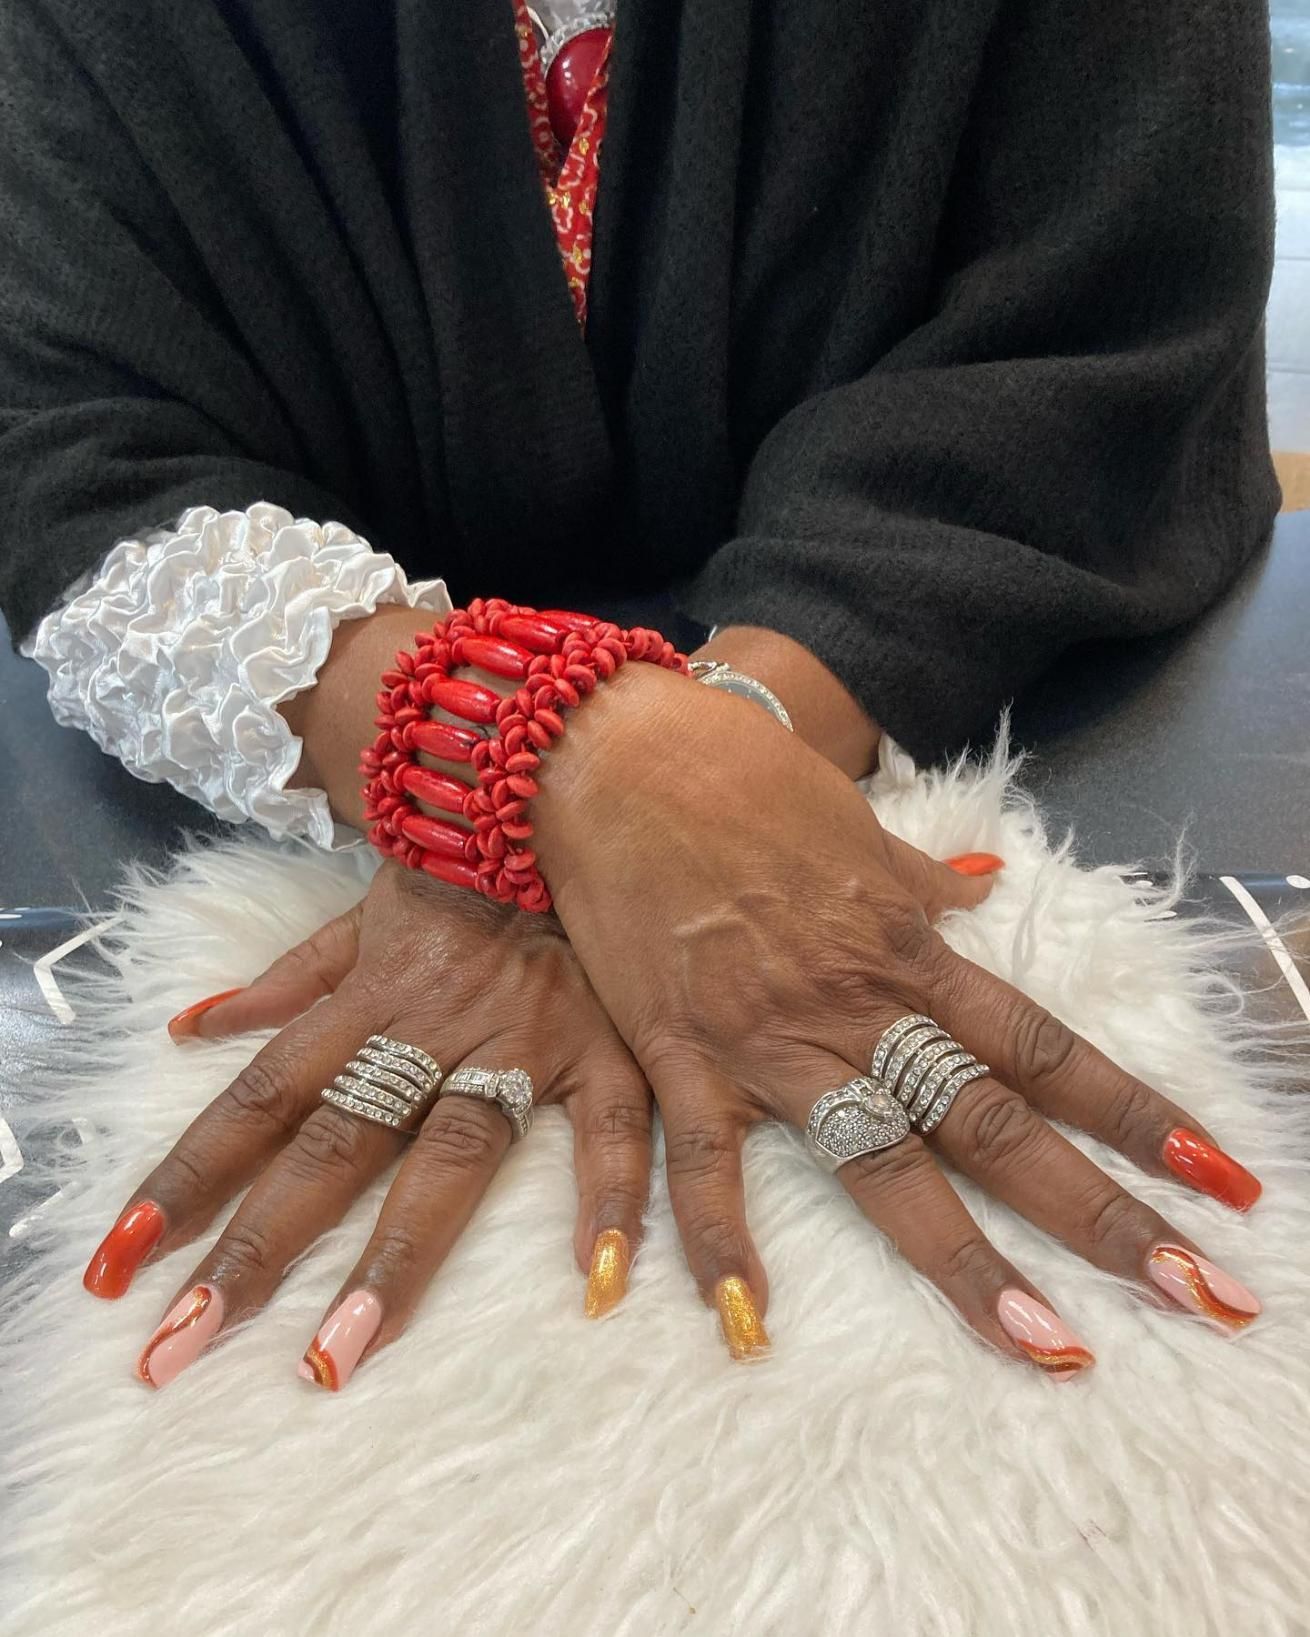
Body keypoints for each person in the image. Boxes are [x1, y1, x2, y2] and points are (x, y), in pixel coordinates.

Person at [1, 0, 1275, 1391]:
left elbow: (1108, 319)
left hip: (1028, 722)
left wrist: (686, 757)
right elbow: (62, 420)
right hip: (243, 797)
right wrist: (560, 761)